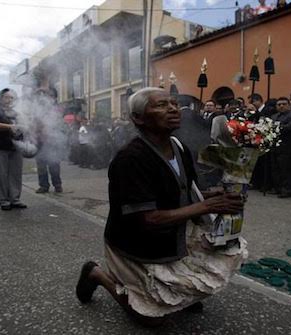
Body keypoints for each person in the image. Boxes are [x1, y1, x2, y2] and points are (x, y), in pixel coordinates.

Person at [75, 87, 247, 326]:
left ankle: (178, 293)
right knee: (149, 319)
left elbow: (185, 190)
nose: (173, 109)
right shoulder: (131, 159)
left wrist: (217, 195)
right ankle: (97, 274)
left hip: (171, 234)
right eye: (161, 105)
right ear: (138, 118)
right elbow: (148, 219)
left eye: (174, 103)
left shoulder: (179, 146)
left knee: (197, 279)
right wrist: (208, 205)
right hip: (138, 243)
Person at [0, 88, 27, 211]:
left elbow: (23, 127)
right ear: (0, 99)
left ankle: (15, 199)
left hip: (15, 146)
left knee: (15, 174)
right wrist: (12, 126)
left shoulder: (16, 113)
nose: (9, 100)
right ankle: (3, 200)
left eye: (12, 97)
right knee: (0, 174)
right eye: (6, 97)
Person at [271, 97, 291, 198]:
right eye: (279, 104)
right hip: (275, 145)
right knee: (276, 168)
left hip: (288, 146)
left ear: (289, 105)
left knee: (286, 169)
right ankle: (278, 187)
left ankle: (287, 189)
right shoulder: (274, 116)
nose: (281, 106)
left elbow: (290, 127)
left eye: (284, 104)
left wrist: (276, 127)